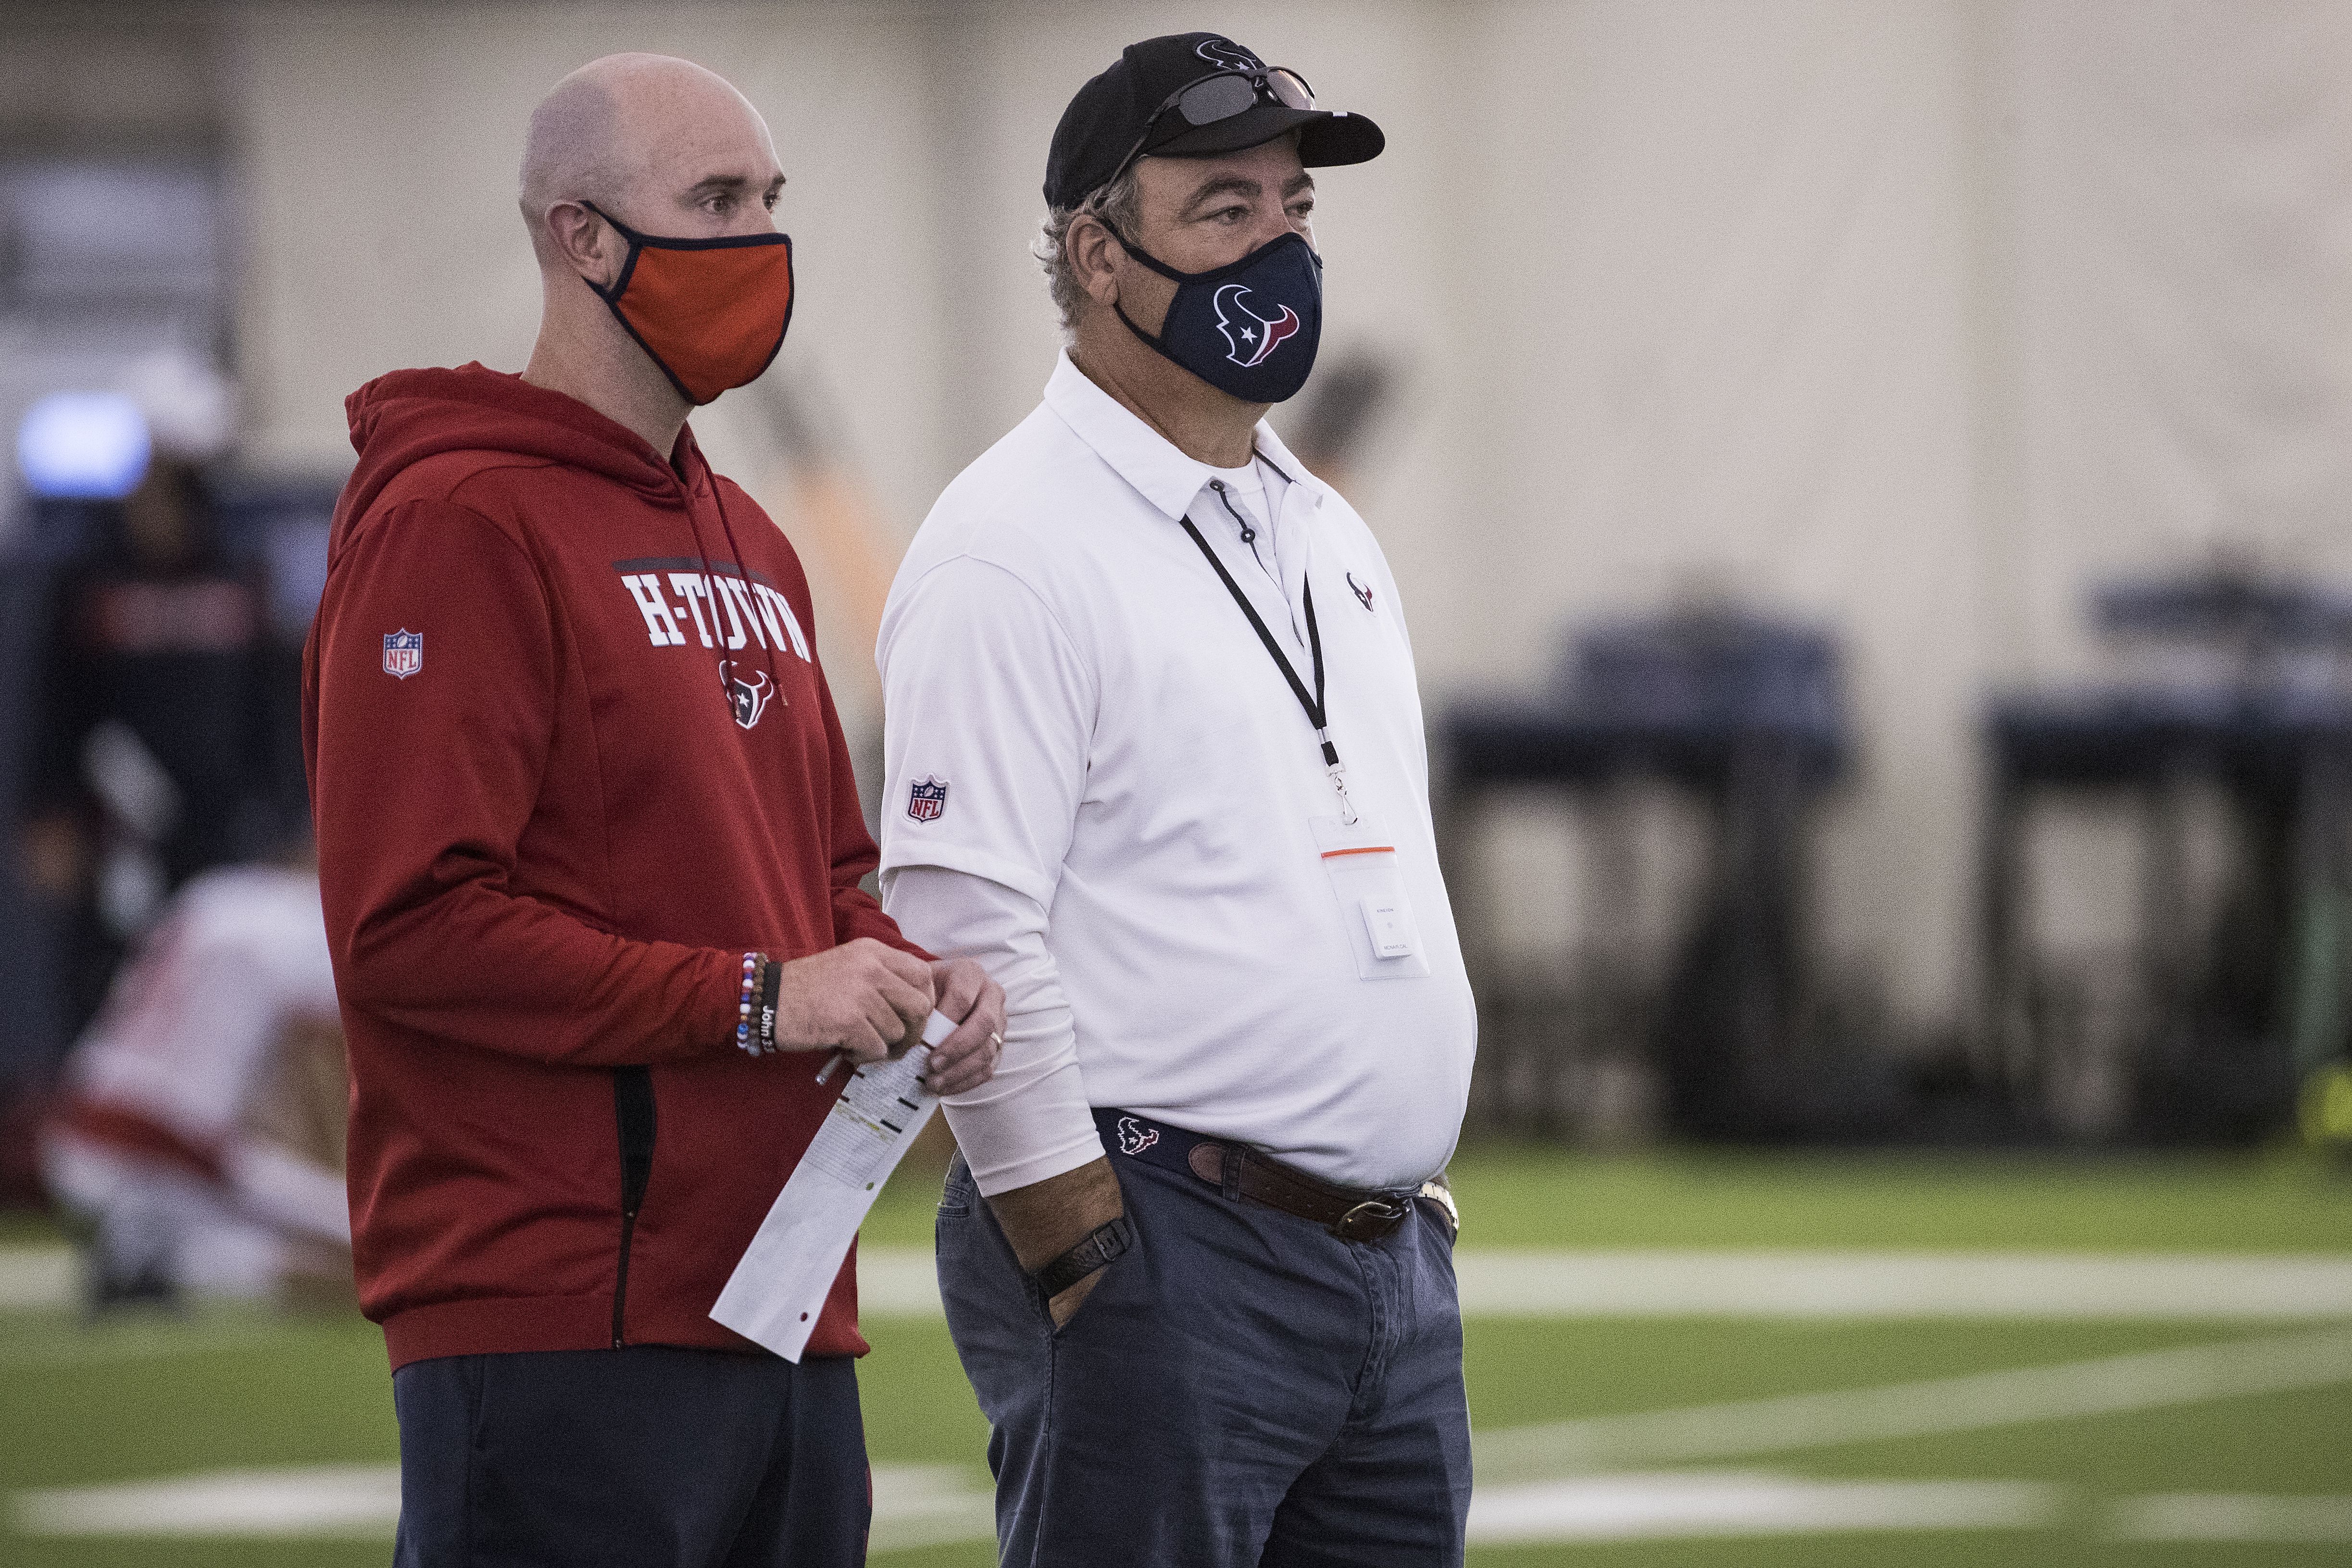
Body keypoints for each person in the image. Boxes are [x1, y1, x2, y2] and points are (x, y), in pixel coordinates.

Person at [301, 53, 1003, 1568]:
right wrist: (761, 997)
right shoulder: (456, 521)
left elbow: (824, 867)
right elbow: (408, 928)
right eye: (712, 201)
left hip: (783, 1297)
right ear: (580, 237)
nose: (757, 243)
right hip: (562, 1304)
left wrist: (901, 972)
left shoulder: (747, 534)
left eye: (768, 201)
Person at [876, 31, 1476, 1567]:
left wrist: (1383, 1162)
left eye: (1292, 208)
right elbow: (959, 919)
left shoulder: (1321, 527)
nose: (1277, 245)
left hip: (1373, 1258)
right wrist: (1082, 1251)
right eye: (1225, 208)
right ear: (1096, 250)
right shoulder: (1011, 543)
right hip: (1165, 1242)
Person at [39, 843, 352, 1309]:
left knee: (306, 1225)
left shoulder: (210, 894)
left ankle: (154, 1250)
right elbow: (336, 1048)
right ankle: (160, 1256)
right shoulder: (298, 919)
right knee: (363, 1233)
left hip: (74, 1143)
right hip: (171, 1151)